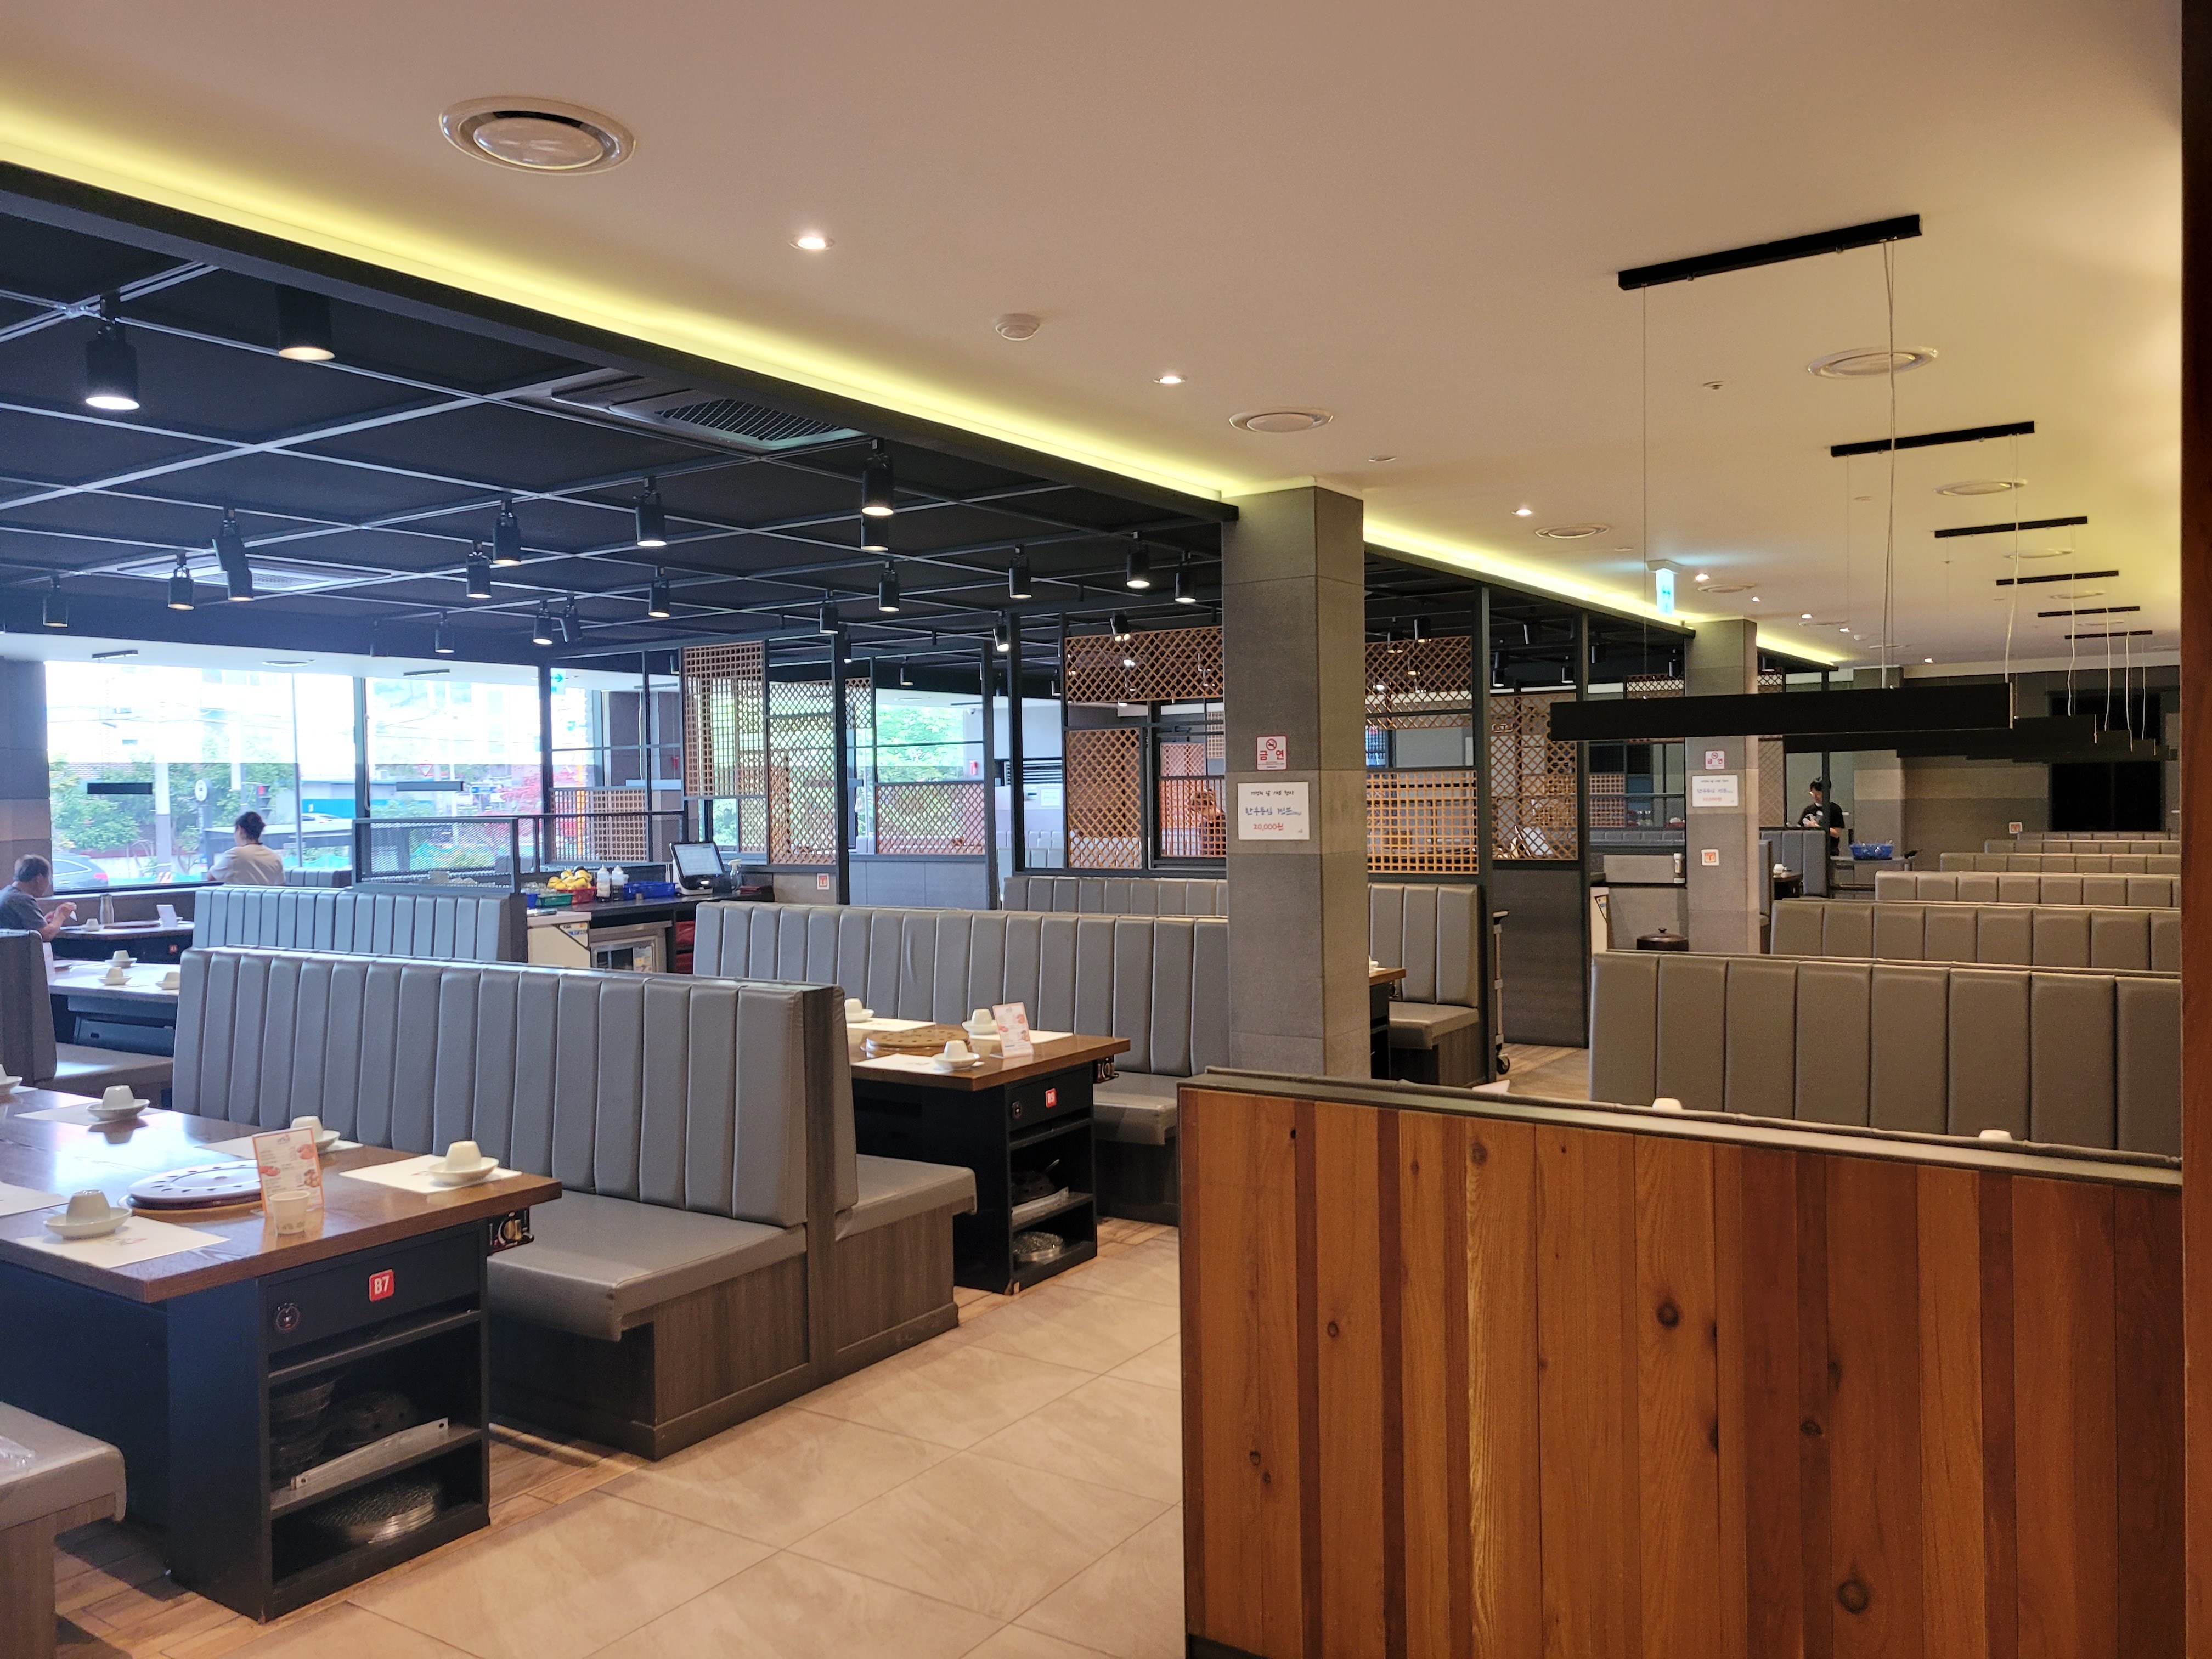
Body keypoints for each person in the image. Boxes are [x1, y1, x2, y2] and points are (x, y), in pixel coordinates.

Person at [0, 854, 76, 939]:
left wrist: (42, 922)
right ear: (38, 879)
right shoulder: (22, 899)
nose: (48, 884)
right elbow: (46, 935)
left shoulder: (5, 894)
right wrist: (61, 915)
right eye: (49, 879)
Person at [208, 811, 286, 885]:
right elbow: (281, 885)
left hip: (240, 896)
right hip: (267, 896)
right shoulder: (275, 857)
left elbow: (211, 877)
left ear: (240, 830)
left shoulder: (236, 855)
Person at [1798, 778, 1845, 851]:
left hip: (1829, 850)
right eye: (1813, 793)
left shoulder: (1834, 809)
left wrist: (1816, 827)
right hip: (1810, 848)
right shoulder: (1808, 810)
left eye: (1818, 794)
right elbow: (1799, 828)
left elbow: (1836, 834)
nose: (1815, 796)